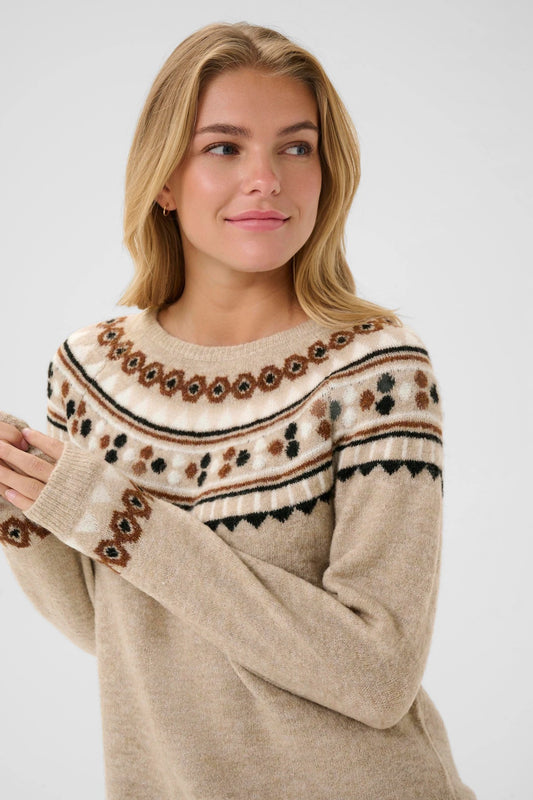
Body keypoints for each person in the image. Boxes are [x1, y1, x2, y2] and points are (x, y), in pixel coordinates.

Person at [0, 21, 477, 800]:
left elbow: (378, 673)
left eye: (296, 147)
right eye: (223, 147)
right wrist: (16, 499)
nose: (267, 179)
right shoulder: (86, 373)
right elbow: (121, 630)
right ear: (163, 179)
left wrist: (120, 516)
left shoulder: (375, 369)